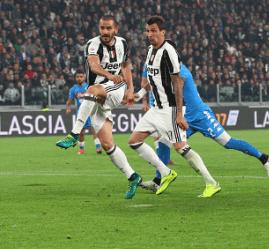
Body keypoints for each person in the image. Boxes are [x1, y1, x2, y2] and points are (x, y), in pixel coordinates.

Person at [136, 63, 269, 192]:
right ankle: (158, 180)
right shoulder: (166, 71)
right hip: (185, 117)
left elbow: (177, 85)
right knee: (163, 142)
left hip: (200, 115)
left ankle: (264, 158)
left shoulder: (181, 70)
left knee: (227, 142)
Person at [128, 15, 221, 198]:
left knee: (181, 148)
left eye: (153, 30)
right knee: (134, 141)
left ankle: (212, 183)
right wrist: (138, 96)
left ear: (163, 32)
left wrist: (179, 114)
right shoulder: (150, 51)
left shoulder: (169, 51)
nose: (150, 34)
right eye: (147, 31)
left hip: (169, 110)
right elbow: (152, 81)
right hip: (155, 109)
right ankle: (166, 173)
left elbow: (177, 83)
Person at [56, 15, 147, 199]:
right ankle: (133, 176)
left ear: (116, 29)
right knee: (107, 144)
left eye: (108, 28)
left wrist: (130, 89)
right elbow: (94, 65)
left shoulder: (122, 44)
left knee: (91, 89)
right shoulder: (93, 44)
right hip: (99, 97)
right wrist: (109, 75)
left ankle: (74, 135)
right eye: (102, 28)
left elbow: (126, 66)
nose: (105, 32)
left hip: (114, 89)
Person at [66, 71, 102, 154]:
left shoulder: (89, 87)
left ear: (84, 78)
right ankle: (81, 148)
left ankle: (98, 148)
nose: (79, 78)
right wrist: (68, 109)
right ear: (75, 78)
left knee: (94, 130)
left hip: (91, 111)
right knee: (81, 132)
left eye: (81, 76)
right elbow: (69, 101)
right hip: (81, 113)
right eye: (77, 77)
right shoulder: (73, 89)